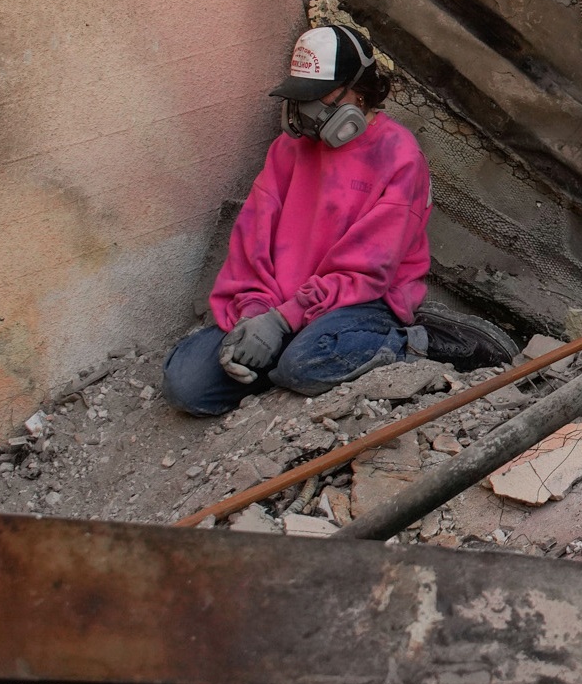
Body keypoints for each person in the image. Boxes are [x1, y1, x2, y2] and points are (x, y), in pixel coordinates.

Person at [162, 21, 438, 416]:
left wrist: (282, 322)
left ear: (359, 91)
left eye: (320, 96)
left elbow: (365, 272)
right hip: (280, 306)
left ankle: (404, 342)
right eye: (301, 96)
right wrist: (255, 316)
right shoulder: (287, 150)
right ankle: (283, 359)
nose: (307, 111)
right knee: (186, 384)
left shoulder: (400, 157)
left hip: (361, 302)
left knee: (303, 364)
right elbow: (250, 245)